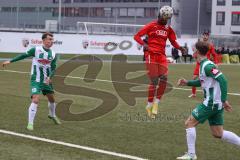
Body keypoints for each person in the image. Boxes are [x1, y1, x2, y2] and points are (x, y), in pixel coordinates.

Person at [177, 41, 240, 160]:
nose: (192, 52)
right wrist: (187, 82)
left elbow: (223, 80)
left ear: (197, 52)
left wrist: (224, 100)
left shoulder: (207, 66)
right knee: (218, 133)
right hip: (215, 105)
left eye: (193, 50)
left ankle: (191, 155)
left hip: (211, 103)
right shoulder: (204, 64)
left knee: (189, 123)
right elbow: (202, 82)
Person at [134, 6, 185, 119]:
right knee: (154, 81)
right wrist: (144, 44)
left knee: (164, 79)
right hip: (151, 55)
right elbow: (136, 36)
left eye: (167, 19)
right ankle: (149, 105)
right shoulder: (151, 25)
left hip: (162, 56)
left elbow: (173, 41)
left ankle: (156, 103)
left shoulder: (168, 28)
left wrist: (180, 48)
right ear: (160, 15)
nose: (164, 20)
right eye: (163, 18)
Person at [2, 32, 61, 131]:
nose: (51, 41)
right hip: (36, 79)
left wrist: (50, 77)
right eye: (49, 39)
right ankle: (30, 123)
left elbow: (54, 67)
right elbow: (23, 55)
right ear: (44, 40)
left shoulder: (54, 54)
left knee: (52, 99)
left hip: (46, 81)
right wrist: (10, 61)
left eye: (52, 39)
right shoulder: (36, 50)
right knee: (35, 99)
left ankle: (52, 115)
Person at [189, 31, 219, 98]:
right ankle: (193, 93)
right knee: (194, 78)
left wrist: (216, 63)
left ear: (208, 37)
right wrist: (195, 56)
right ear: (202, 36)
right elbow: (195, 54)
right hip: (199, 64)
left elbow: (214, 54)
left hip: (206, 64)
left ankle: (208, 92)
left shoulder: (210, 45)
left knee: (207, 79)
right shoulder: (199, 44)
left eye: (206, 35)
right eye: (204, 35)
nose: (205, 37)